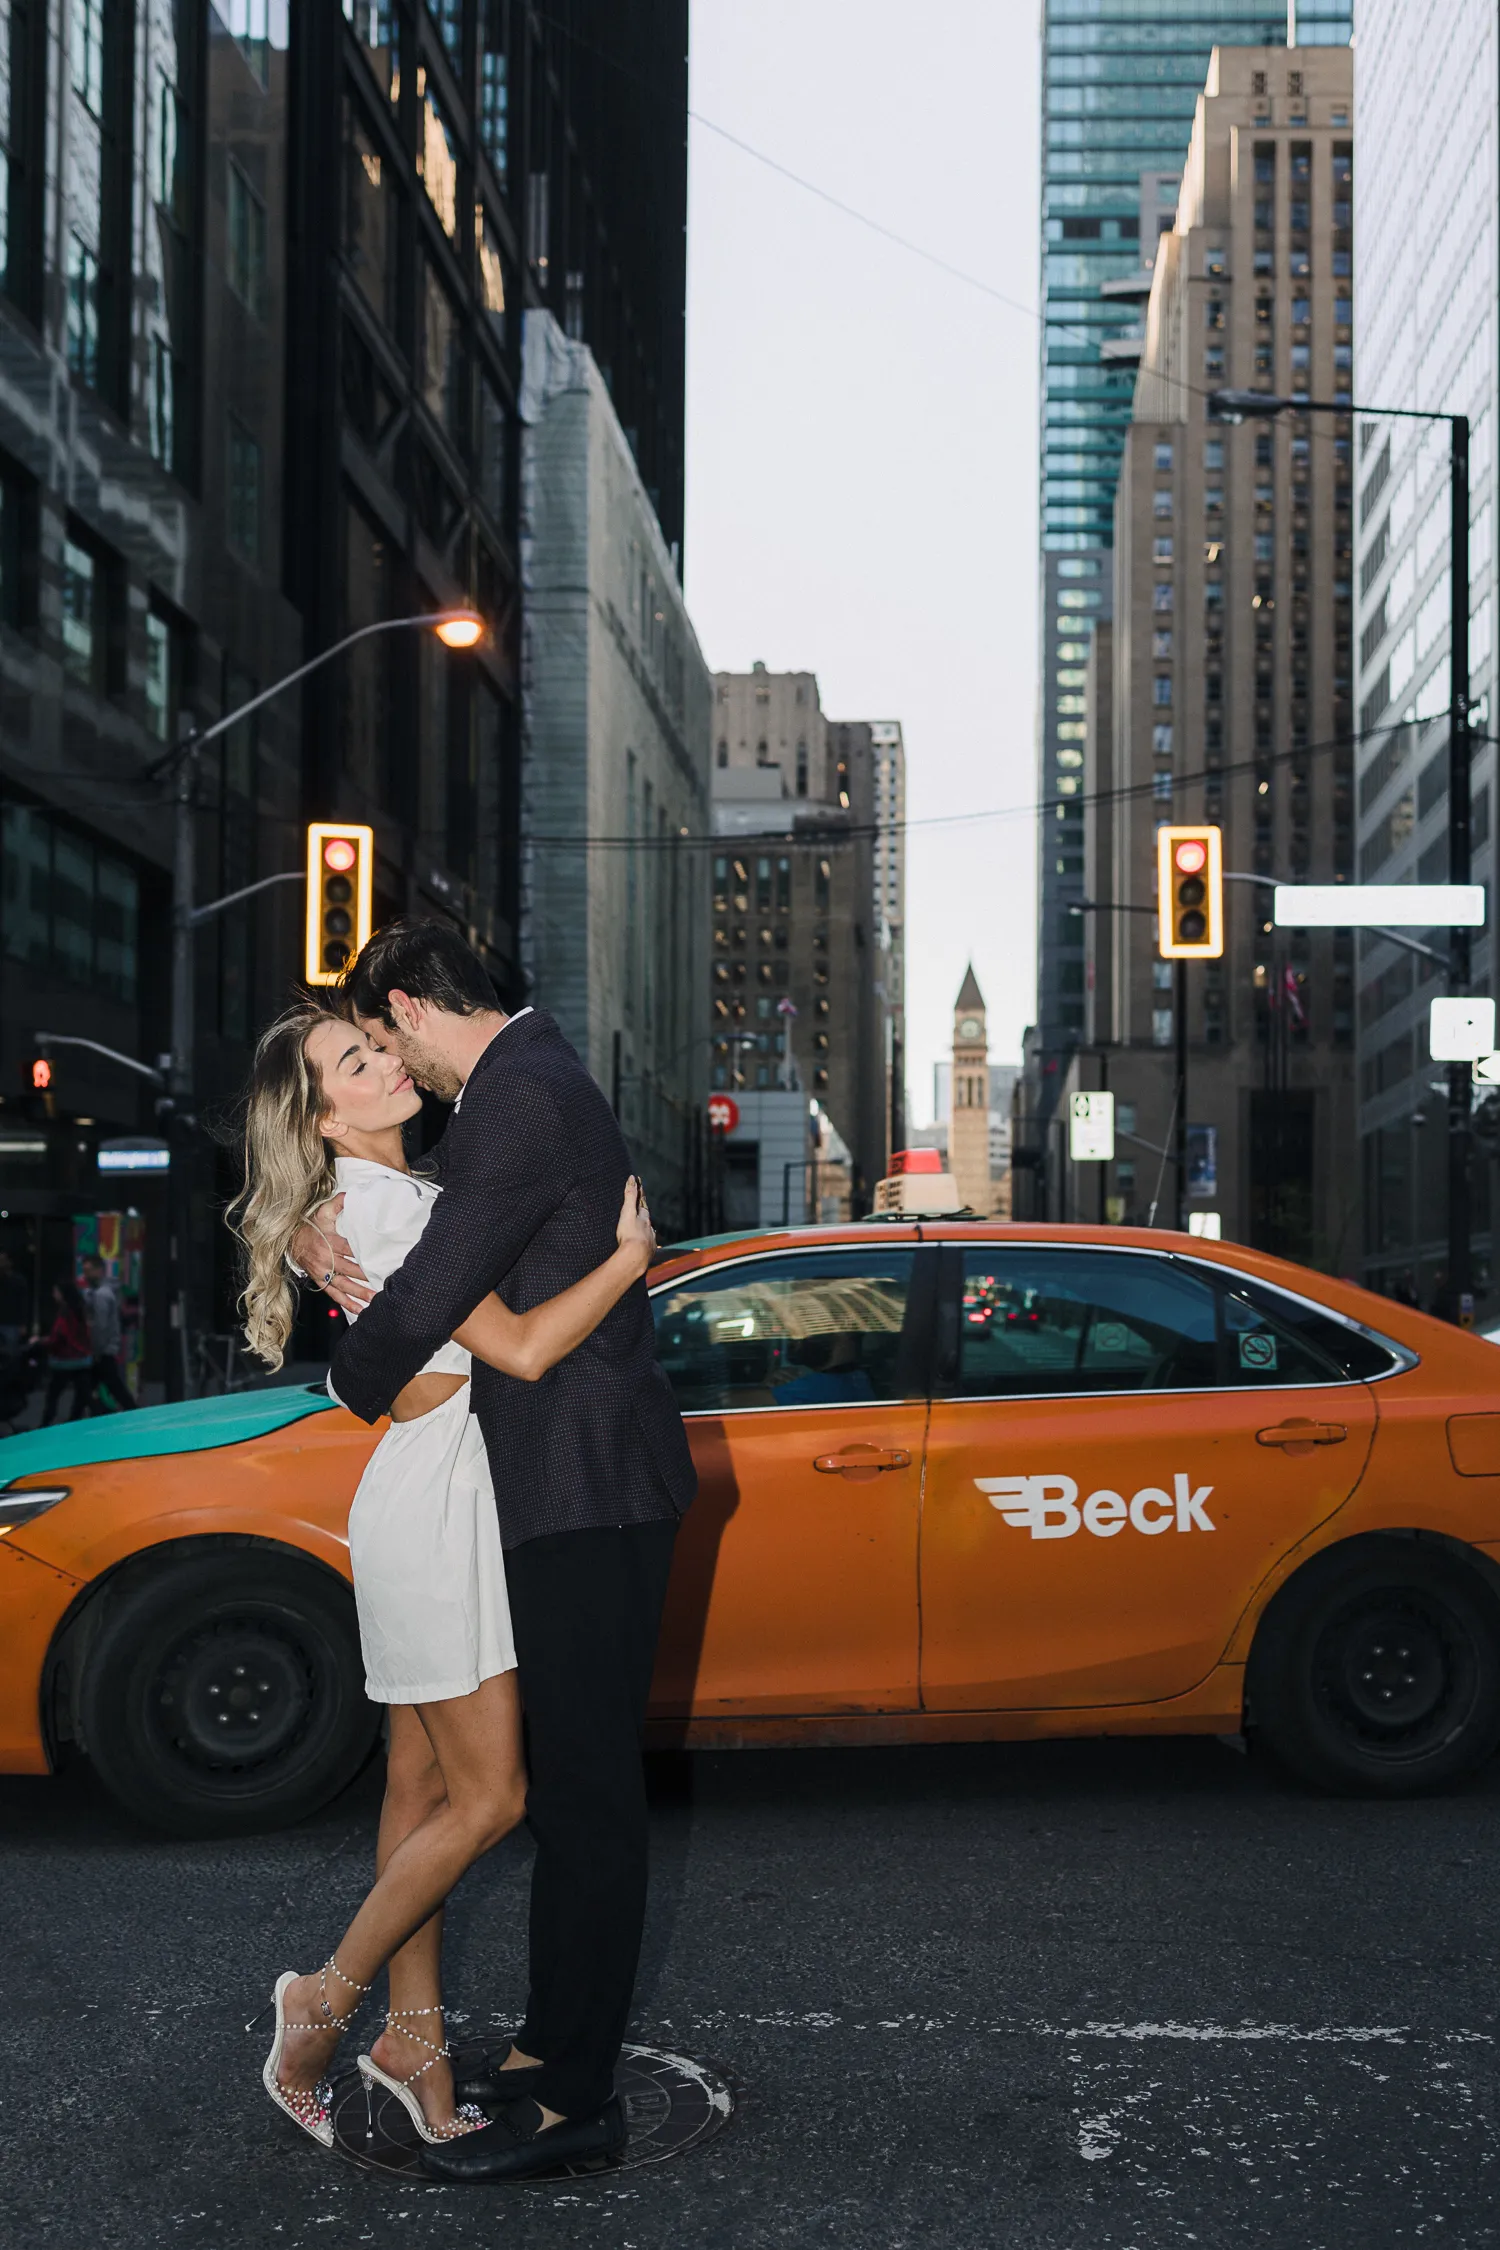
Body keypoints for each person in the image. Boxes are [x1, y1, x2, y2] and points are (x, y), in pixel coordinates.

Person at [291, 920, 696, 2183]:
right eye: (353, 1057)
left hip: (582, 1487)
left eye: (379, 1034)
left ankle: (573, 2099)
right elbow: (462, 1298)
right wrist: (315, 1240)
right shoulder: (531, 1086)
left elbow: (433, 1309)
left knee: (577, 1802)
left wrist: (343, 1364)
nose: (390, 1059)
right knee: (545, 1793)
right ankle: (533, 2053)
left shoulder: (514, 1103)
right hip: (555, 1487)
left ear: (410, 1006)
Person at [80, 1254, 138, 1412]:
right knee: (98, 1387)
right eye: (84, 1270)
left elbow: (101, 1326)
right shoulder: (96, 1292)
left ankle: (128, 1411)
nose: (85, 1274)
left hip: (103, 1350)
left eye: (88, 1270)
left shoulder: (102, 1295)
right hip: (103, 1349)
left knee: (110, 1386)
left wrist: (96, 1349)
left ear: (99, 1271)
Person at [33, 1280, 95, 1425]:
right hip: (82, 1358)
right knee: (83, 1394)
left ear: (62, 1294)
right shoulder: (79, 1309)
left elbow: (58, 1336)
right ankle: (76, 1421)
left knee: (53, 1395)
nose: (53, 1295)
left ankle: (45, 1424)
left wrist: (40, 1342)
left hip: (64, 1360)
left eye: (55, 1291)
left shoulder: (64, 1311)